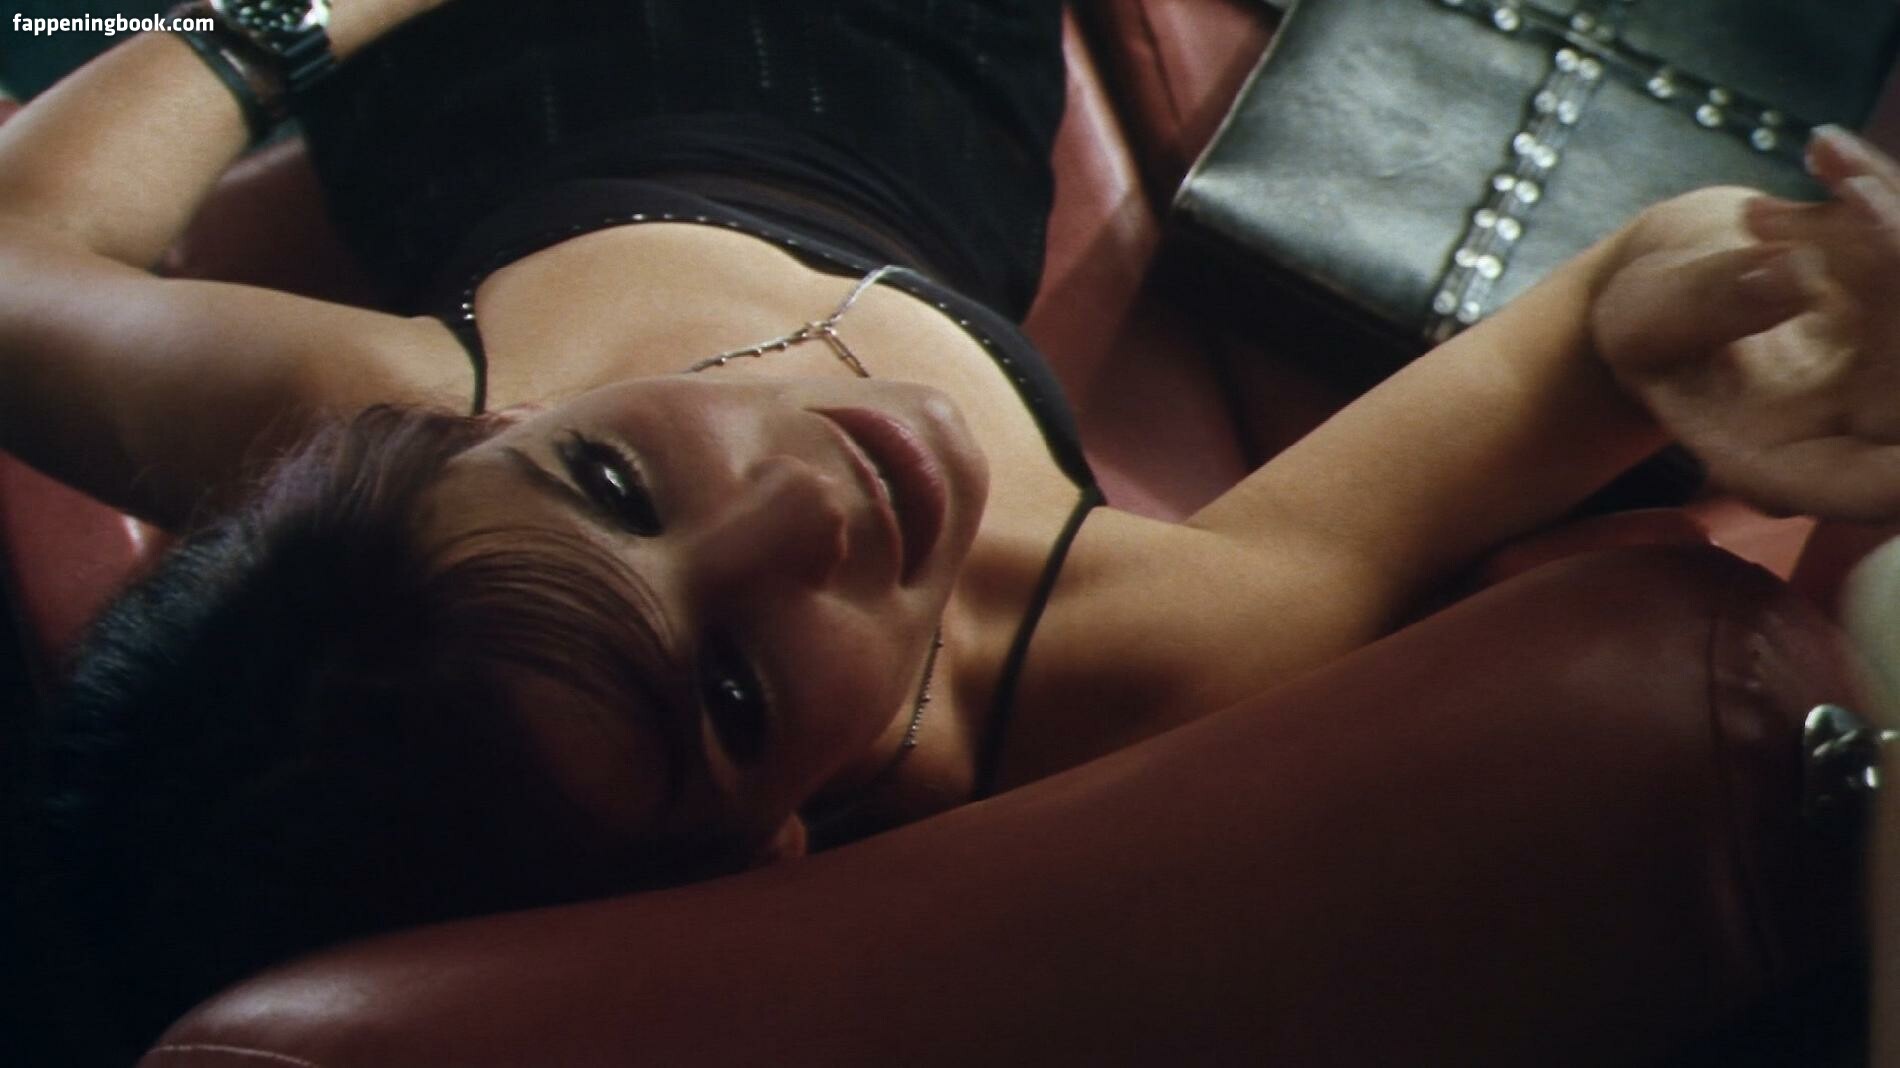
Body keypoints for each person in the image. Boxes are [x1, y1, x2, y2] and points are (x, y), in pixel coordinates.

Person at [0, 0, 1895, 1060]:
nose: (801, 503)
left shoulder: (391, 439)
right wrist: (1710, 315)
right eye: (732, 693)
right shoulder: (1103, 667)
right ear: (777, 846)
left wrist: (303, 16)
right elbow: (1606, 332)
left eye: (618, 484)